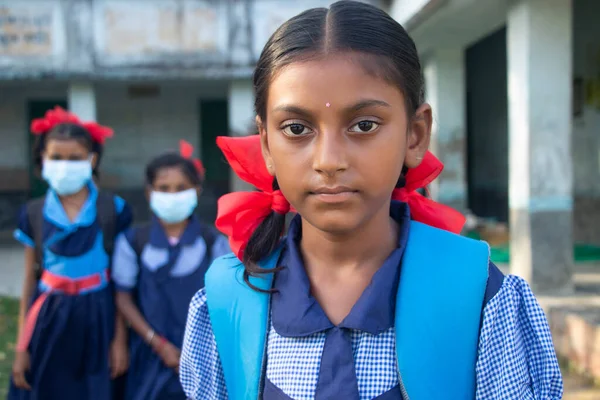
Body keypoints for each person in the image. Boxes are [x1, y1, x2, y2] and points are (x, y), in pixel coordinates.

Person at [180, 1, 563, 399]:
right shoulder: (226, 302)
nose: (329, 161)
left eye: (364, 125)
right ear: (266, 146)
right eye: (296, 128)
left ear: (415, 135)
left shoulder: (481, 300)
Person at [9, 106, 132, 400]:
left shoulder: (113, 210)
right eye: (56, 157)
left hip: (99, 317)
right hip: (50, 318)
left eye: (75, 158)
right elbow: (30, 280)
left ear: (92, 160)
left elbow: (120, 282)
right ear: (43, 160)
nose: (65, 165)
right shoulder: (33, 213)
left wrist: (119, 339)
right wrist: (21, 347)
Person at [111, 141, 231, 400]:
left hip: (205, 355)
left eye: (181, 188)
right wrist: (158, 343)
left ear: (197, 191)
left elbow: (226, 300)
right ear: (149, 192)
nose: (172, 195)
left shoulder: (213, 242)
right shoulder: (133, 242)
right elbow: (123, 298)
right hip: (149, 354)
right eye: (164, 188)